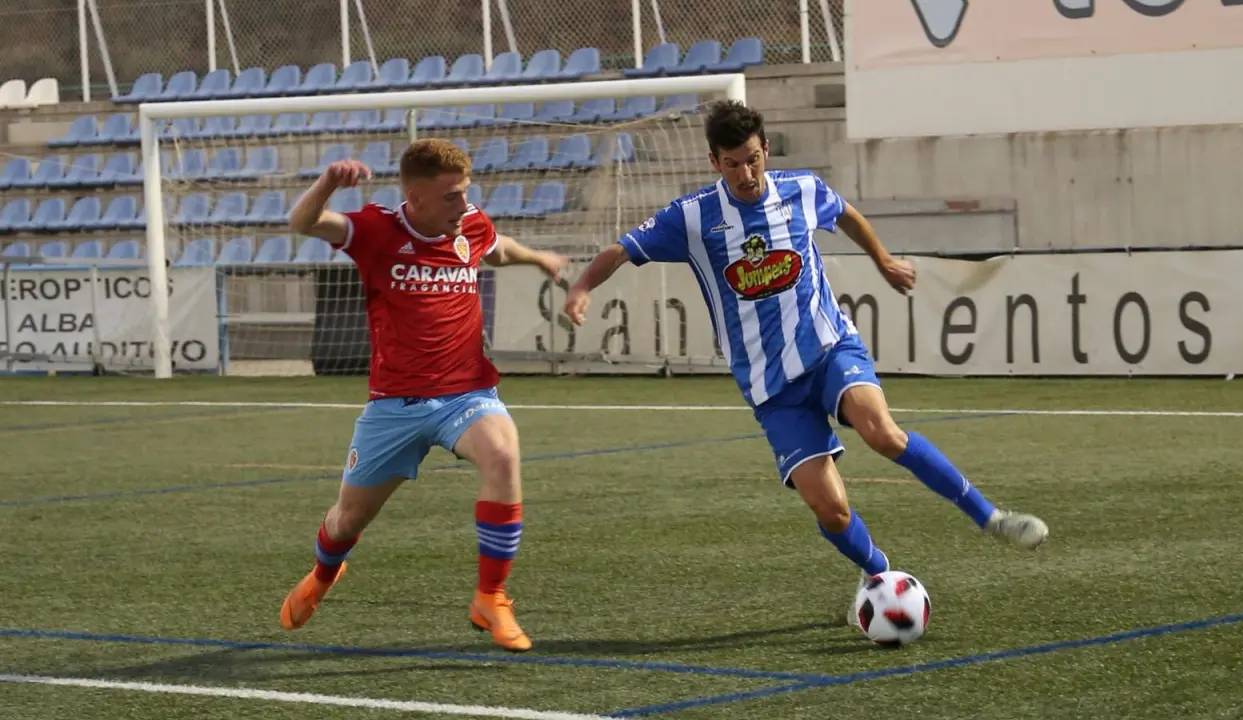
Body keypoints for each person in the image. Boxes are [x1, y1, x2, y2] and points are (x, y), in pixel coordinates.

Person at [564, 100, 1047, 591]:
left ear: (765, 150)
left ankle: (991, 518)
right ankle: (879, 575)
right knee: (831, 510)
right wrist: (582, 286)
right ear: (714, 162)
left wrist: (882, 260)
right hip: (771, 387)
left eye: (752, 159)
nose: (745, 174)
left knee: (881, 432)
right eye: (732, 164)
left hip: (829, 347)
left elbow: (847, 214)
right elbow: (622, 250)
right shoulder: (692, 218)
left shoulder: (802, 190)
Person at [279, 139, 568, 653]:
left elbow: (498, 248)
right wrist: (327, 183)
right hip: (395, 404)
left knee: (503, 455)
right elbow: (304, 223)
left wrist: (537, 257)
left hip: (466, 393)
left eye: (465, 193)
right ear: (415, 198)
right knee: (348, 520)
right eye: (451, 196)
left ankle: (490, 597)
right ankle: (324, 574)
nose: (464, 205)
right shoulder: (376, 230)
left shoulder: (470, 224)